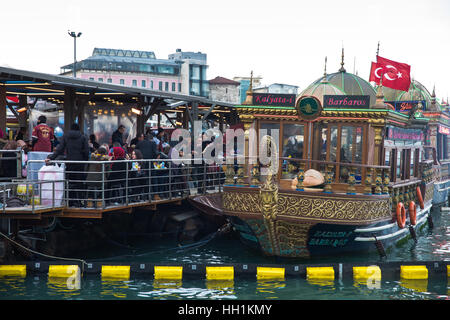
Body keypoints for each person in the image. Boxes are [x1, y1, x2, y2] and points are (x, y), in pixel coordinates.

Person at [46, 123, 89, 207]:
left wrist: (51, 158)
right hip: (80, 163)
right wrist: (85, 160)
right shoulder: (83, 137)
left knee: (70, 182)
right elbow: (86, 151)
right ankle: (79, 201)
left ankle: (70, 201)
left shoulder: (66, 137)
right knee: (79, 183)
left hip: (70, 162)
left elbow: (60, 149)